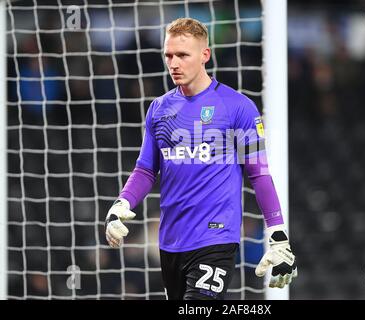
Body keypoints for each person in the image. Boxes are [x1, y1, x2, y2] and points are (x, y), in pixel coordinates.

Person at [104, 17, 297, 300]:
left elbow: (258, 173)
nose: (174, 63)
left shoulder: (238, 107)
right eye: (169, 55)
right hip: (171, 241)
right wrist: (122, 203)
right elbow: (146, 169)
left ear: (205, 55)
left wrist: (278, 234)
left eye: (183, 55)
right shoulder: (159, 109)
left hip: (215, 239)